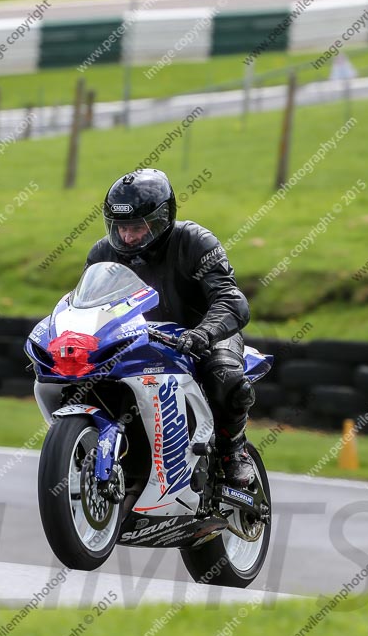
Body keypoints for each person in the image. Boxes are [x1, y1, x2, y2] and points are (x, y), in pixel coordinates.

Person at [85, 168, 255, 488]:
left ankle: (233, 451)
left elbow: (232, 300)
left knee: (225, 375)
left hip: (201, 334)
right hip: (138, 340)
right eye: (120, 227)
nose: (127, 237)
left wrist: (203, 333)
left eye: (137, 227)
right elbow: (87, 307)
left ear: (162, 219)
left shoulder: (195, 242)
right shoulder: (102, 254)